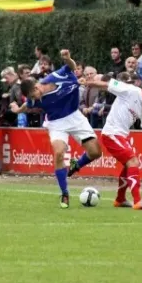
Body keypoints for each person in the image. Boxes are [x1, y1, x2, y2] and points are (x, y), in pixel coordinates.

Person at [10, 50, 102, 209]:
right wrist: (18, 110)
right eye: (32, 97)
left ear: (37, 85)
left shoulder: (56, 76)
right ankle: (65, 193)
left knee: (95, 152)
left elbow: (70, 67)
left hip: (75, 117)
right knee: (59, 153)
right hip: (56, 123)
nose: (35, 98)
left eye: (34, 94)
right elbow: (27, 106)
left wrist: (68, 58)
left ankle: (76, 165)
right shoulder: (33, 101)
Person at [74, 75, 142, 210]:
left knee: (129, 166)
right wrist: (88, 82)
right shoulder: (131, 91)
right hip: (112, 133)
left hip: (121, 136)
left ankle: (120, 199)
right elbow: (107, 84)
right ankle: (138, 200)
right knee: (133, 162)